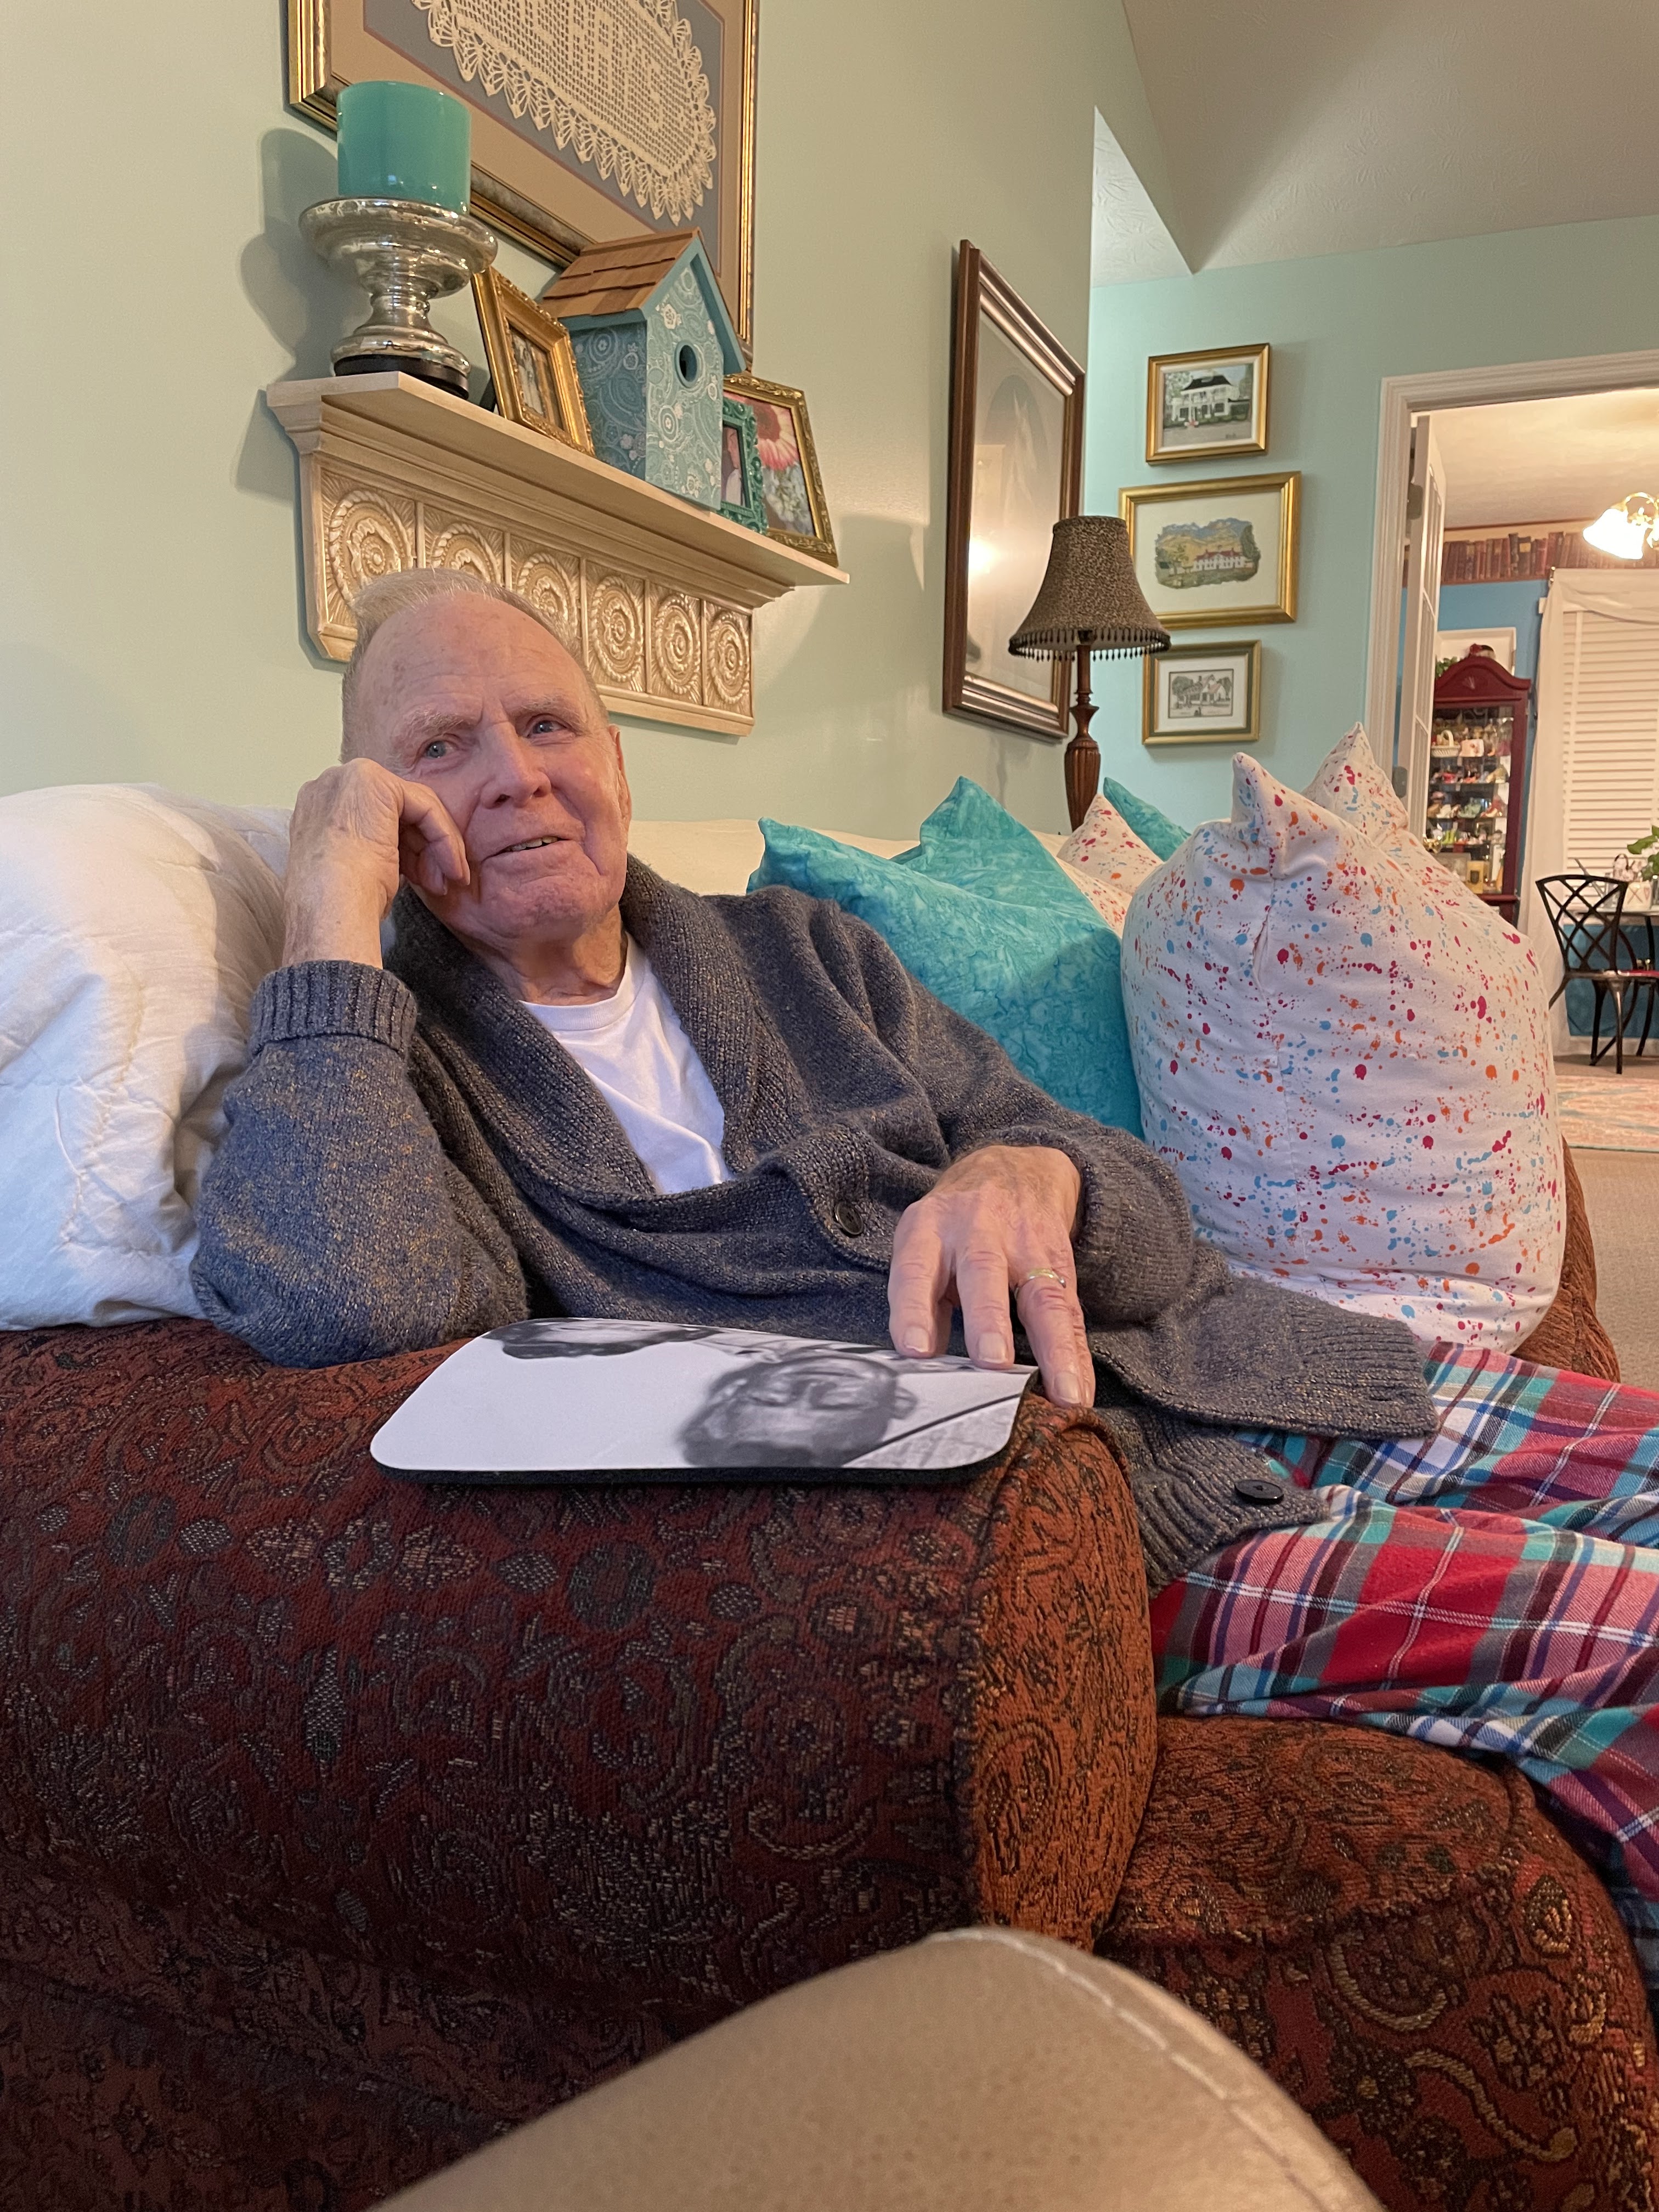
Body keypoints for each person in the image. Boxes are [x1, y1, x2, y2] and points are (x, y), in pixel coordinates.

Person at [194, 568, 1659, 2013]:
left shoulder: (801, 954)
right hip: (1089, 1524)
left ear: (617, 766)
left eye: (546, 724)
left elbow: (1150, 1212)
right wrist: (326, 920)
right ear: (379, 814)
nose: (515, 775)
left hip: (1234, 1363)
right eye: (440, 747)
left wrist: (1035, 1171)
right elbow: (353, 1304)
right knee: (1638, 1647)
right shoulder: (396, 1067)